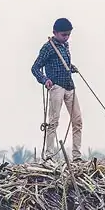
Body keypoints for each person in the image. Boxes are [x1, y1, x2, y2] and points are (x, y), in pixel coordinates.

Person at [31, 18, 83, 161]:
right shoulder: (48, 47)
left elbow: (62, 65)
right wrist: (44, 80)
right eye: (63, 35)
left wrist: (71, 68)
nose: (66, 37)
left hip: (69, 86)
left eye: (68, 35)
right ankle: (49, 155)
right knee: (53, 122)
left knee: (77, 120)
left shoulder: (65, 46)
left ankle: (77, 156)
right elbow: (35, 68)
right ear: (55, 33)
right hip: (56, 87)